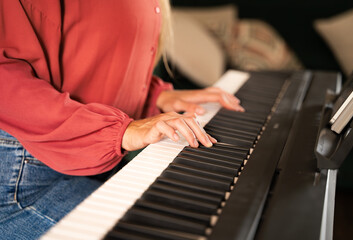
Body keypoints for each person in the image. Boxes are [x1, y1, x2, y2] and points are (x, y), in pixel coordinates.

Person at [0, 1, 244, 239]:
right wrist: (120, 130)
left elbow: (85, 56)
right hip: (24, 179)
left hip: (93, 157)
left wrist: (155, 97)